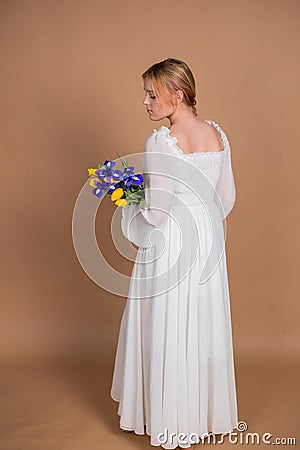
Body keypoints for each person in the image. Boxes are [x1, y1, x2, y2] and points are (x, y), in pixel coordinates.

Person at [110, 58, 239, 449]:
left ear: (177, 95)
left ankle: (169, 418)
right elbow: (227, 198)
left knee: (166, 323)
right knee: (201, 324)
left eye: (152, 94)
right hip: (207, 243)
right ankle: (202, 415)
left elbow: (156, 211)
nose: (146, 103)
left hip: (172, 244)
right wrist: (204, 222)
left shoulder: (161, 141)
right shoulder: (218, 135)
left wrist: (128, 204)